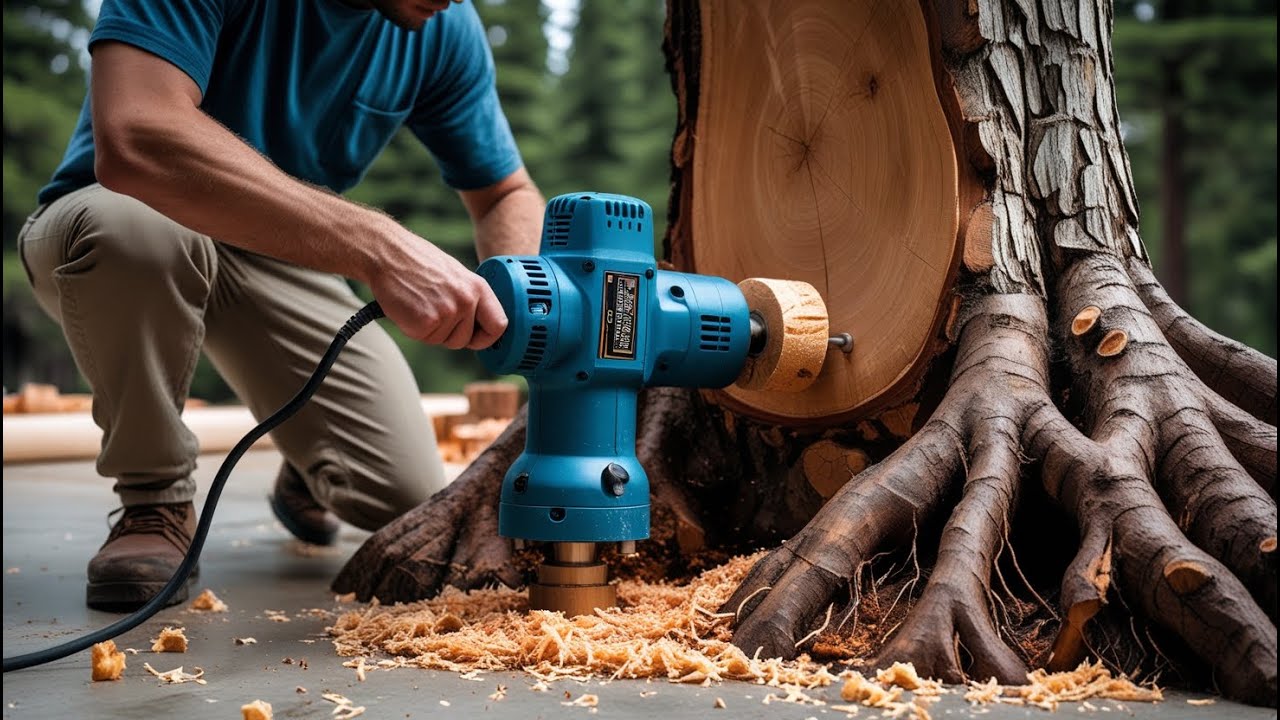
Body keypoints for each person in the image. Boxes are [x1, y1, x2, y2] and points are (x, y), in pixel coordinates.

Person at [16, 0, 545, 611]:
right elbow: (137, 131)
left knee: (407, 494)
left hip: (275, 257)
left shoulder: (443, 29)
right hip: (119, 215)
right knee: (138, 236)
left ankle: (305, 461)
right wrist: (380, 245)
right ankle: (152, 501)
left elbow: (505, 191)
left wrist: (533, 312)